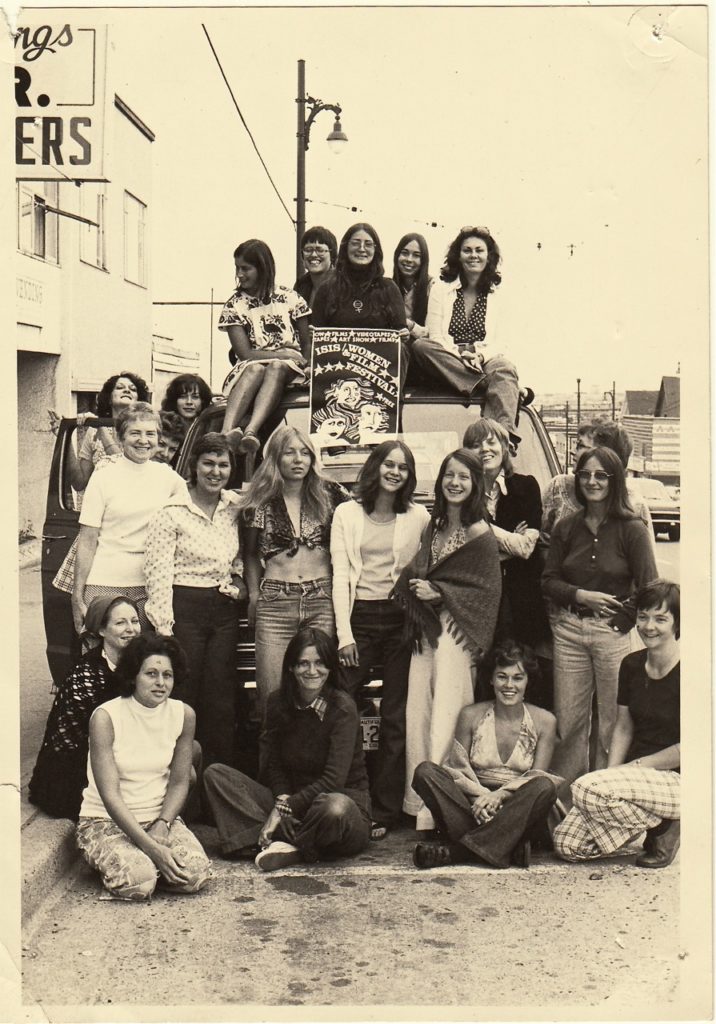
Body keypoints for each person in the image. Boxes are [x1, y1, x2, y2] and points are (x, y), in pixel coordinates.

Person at [393, 448, 502, 830]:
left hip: (457, 632)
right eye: (449, 476)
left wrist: (441, 594)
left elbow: (487, 592)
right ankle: (418, 803)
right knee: (418, 713)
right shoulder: (435, 526)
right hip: (426, 630)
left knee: (449, 715)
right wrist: (418, 591)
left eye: (463, 478)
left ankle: (445, 805)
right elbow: (418, 569)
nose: (455, 483)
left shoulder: (480, 533)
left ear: (475, 486)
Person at [203, 627, 370, 870]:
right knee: (216, 774)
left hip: (338, 809)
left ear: (331, 667)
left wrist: (284, 808)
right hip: (291, 804)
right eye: (303, 663)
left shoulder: (342, 708)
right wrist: (282, 800)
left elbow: (334, 780)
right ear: (290, 667)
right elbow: (274, 763)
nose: (312, 671)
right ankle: (295, 842)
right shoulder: (277, 702)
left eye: (320, 663)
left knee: (335, 807)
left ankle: (281, 843)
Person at [541, 447, 658, 788]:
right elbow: (548, 581)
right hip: (569, 632)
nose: (591, 481)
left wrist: (620, 622)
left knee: (613, 723)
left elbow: (650, 586)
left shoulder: (631, 528)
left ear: (614, 480)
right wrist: (580, 596)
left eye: (600, 475)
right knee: (569, 724)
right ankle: (563, 809)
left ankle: (607, 798)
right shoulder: (566, 527)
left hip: (612, 635)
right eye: (585, 474)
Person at [330, 440, 430, 838]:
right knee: (343, 709)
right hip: (359, 617)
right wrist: (344, 636)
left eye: (403, 468)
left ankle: (386, 810)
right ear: (375, 467)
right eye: (389, 464)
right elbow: (340, 576)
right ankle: (347, 798)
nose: (395, 472)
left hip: (400, 621)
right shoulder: (346, 513)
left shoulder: (418, 516)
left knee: (395, 716)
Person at [553, 581, 680, 868]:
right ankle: (653, 823)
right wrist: (612, 778)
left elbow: (690, 748)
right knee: (566, 844)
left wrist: (632, 770)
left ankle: (667, 827)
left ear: (677, 623)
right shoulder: (632, 664)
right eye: (643, 616)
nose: (649, 626)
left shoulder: (690, 671)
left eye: (661, 619)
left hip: (677, 779)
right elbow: (624, 727)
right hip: (635, 780)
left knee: (585, 789)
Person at [76, 634, 212, 900]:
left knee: (195, 875)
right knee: (138, 884)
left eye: (167, 675)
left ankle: (146, 864)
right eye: (151, 673)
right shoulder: (106, 717)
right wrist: (150, 847)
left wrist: (163, 824)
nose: (160, 683)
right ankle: (139, 865)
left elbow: (179, 781)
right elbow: (110, 794)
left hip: (159, 818)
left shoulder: (183, 714)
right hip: (105, 821)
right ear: (133, 675)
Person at [411, 640, 559, 868]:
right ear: (490, 679)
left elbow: (536, 776)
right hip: (474, 805)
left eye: (518, 677)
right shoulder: (470, 715)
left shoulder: (544, 721)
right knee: (425, 772)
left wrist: (498, 797)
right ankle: (504, 846)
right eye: (502, 676)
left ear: (528, 681)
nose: (509, 685)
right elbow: (459, 770)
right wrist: (482, 798)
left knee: (544, 787)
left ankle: (459, 852)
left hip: (516, 807)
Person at [144, 433, 245, 767]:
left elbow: (237, 557)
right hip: (183, 609)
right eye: (208, 463)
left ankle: (220, 780)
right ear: (194, 465)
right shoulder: (171, 511)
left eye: (223, 464)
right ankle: (181, 780)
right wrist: (164, 628)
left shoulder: (234, 507)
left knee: (221, 699)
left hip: (223, 611)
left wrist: (239, 579)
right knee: (185, 694)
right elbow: (157, 573)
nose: (215, 472)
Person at [241, 425, 349, 717]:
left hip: (321, 598)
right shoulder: (258, 499)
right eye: (290, 452)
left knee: (318, 691)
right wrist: (254, 595)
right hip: (275, 600)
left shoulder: (332, 494)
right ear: (275, 457)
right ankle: (272, 761)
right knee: (271, 693)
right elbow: (250, 554)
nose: (298, 460)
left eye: (305, 453)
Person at [71, 402, 188, 633]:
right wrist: (77, 597)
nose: (143, 440)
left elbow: (188, 525)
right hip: (104, 583)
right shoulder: (103, 476)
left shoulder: (170, 479)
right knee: (102, 659)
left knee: (142, 663)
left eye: (150, 434)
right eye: (135, 433)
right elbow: (87, 540)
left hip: (150, 588)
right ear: (121, 437)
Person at [463, 418, 552, 707]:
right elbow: (464, 547)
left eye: (491, 442)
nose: (484, 449)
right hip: (479, 599)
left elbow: (526, 547)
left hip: (521, 600)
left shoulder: (526, 486)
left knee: (522, 672)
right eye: (475, 445)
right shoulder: (463, 489)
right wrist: (507, 537)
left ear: (505, 447)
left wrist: (480, 528)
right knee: (484, 674)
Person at [29, 595, 142, 820]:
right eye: (120, 623)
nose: (131, 629)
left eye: (135, 621)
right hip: (81, 770)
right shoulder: (87, 674)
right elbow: (83, 741)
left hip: (121, 755)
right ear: (101, 630)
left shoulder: (140, 661)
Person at [412, 227, 521, 443]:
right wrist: (461, 357)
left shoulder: (499, 294)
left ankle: (501, 439)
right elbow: (435, 336)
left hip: (485, 359)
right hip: (449, 359)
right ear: (458, 256)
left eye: (479, 250)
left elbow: (501, 341)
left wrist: (479, 357)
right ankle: (484, 383)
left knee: (505, 367)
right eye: (467, 250)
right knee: (421, 347)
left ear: (489, 256)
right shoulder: (441, 288)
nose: (473, 255)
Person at [53, 371, 151, 598]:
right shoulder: (92, 433)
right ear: (108, 397)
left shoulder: (143, 434)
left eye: (133, 389)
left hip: (132, 521)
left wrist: (100, 429)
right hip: (100, 522)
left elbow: (126, 468)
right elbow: (79, 482)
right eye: (120, 387)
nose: (127, 390)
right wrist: (66, 439)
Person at [218, 239, 311, 456]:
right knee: (255, 369)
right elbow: (245, 354)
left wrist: (305, 363)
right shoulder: (234, 305)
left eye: (245, 268)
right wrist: (282, 352)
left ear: (263, 268)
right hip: (252, 365)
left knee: (277, 366)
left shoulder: (290, 298)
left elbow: (307, 343)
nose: (239, 274)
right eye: (237, 268)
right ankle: (225, 434)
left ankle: (251, 431)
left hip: (290, 367)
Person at [311, 223, 410, 385]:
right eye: (356, 243)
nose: (362, 248)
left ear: (376, 250)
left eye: (368, 244)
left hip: (380, 372)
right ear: (345, 247)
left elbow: (400, 335)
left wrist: (404, 334)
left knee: (401, 350)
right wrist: (313, 334)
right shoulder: (327, 288)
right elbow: (317, 337)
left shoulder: (389, 288)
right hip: (338, 369)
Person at [541, 419, 653, 547]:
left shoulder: (635, 506)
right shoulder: (559, 487)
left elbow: (645, 563)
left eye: (580, 446)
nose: (572, 451)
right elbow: (537, 544)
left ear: (606, 454)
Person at [392, 233, 432, 342]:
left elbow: (433, 334)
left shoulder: (433, 287)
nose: (409, 259)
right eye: (404, 253)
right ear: (397, 256)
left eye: (416, 255)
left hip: (421, 350)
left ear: (423, 260)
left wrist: (409, 325)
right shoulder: (387, 286)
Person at [293, 226, 338, 307]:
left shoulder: (341, 284)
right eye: (308, 250)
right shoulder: (300, 285)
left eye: (320, 250)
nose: (313, 255)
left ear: (332, 255)